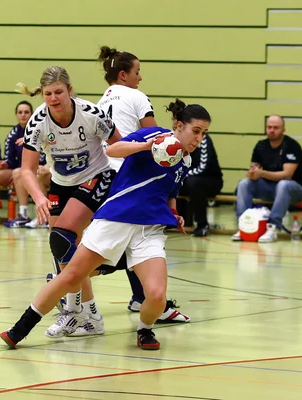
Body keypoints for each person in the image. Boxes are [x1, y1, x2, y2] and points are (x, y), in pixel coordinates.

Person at [0, 99, 211, 351]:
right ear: (178, 125)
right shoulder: (154, 134)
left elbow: (170, 191)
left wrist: (174, 211)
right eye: (195, 131)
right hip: (116, 218)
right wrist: (146, 146)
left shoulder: (185, 160)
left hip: (149, 230)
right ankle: (19, 330)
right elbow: (113, 150)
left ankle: (144, 330)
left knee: (156, 295)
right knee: (71, 276)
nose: (199, 138)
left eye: (203, 134)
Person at [13, 65, 121, 338]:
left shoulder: (91, 114)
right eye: (48, 93)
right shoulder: (38, 123)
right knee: (61, 251)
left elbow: (121, 146)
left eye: (59, 91)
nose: (53, 98)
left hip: (98, 176)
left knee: (63, 238)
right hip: (62, 183)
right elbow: (26, 169)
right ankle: (88, 314)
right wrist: (38, 197)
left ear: (70, 91)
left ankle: (76, 312)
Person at [94, 46, 190, 324]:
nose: (140, 77)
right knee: (143, 237)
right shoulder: (136, 96)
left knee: (128, 239)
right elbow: (160, 139)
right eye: (137, 72)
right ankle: (76, 274)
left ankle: (140, 297)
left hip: (103, 172)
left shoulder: (103, 100)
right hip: (126, 172)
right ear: (123, 75)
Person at [232, 115, 302, 242]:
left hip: (294, 189)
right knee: (244, 183)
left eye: (276, 128)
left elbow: (287, 174)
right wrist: (252, 173)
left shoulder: (292, 146)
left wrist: (261, 173)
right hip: (269, 188)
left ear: (283, 129)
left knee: (283, 184)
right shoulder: (261, 145)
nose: (272, 130)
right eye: (269, 127)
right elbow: (255, 168)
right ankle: (243, 226)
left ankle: (272, 227)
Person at [0, 100, 46, 227]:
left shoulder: (37, 130)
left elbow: (42, 156)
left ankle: (23, 215)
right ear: (16, 115)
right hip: (19, 170)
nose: (23, 115)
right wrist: (4, 164)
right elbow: (9, 158)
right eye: (20, 112)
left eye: (26, 112)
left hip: (38, 169)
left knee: (18, 172)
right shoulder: (13, 134)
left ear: (32, 114)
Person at [177, 131, 223, 237]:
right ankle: (171, 220)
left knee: (194, 183)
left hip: (211, 180)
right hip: (188, 179)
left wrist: (181, 175)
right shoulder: (175, 139)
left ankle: (202, 224)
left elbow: (203, 168)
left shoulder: (203, 139)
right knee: (167, 181)